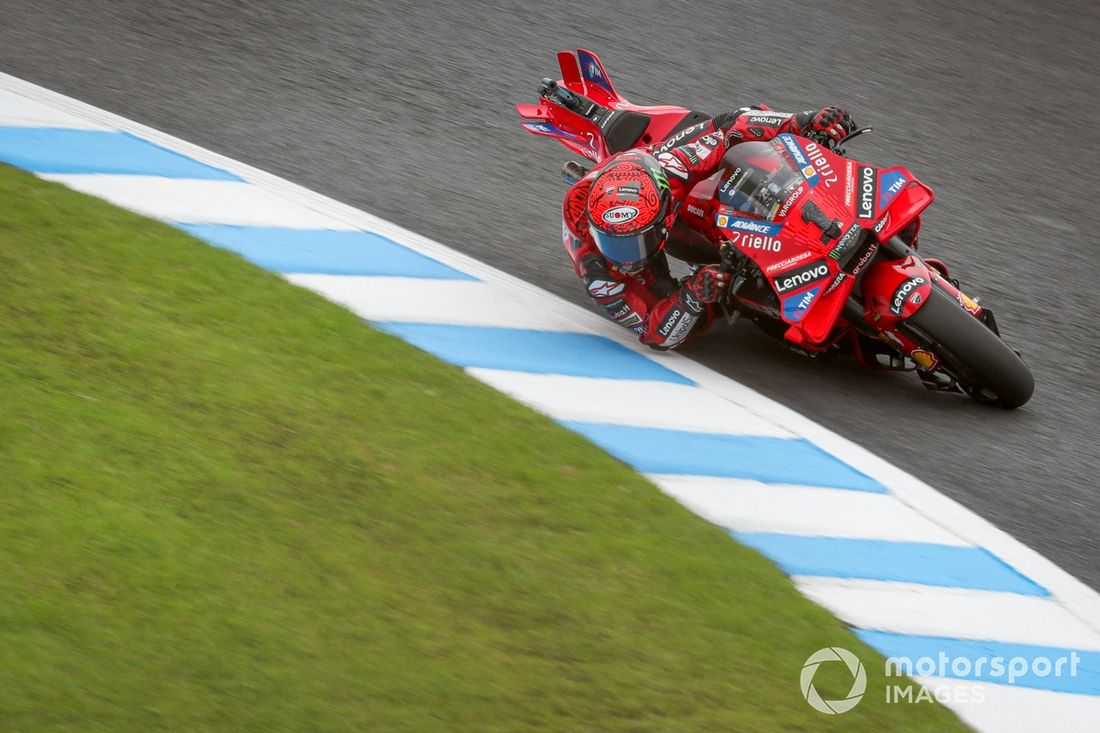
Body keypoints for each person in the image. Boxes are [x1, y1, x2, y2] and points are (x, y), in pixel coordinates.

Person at [561, 106, 856, 350]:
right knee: (701, 302)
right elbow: (654, 333)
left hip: (654, 168)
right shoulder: (598, 271)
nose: (627, 256)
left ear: (661, 214)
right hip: (648, 216)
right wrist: (691, 295)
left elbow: (733, 130)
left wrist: (802, 122)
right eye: (614, 242)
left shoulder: (673, 168)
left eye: (633, 243)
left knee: (735, 121)